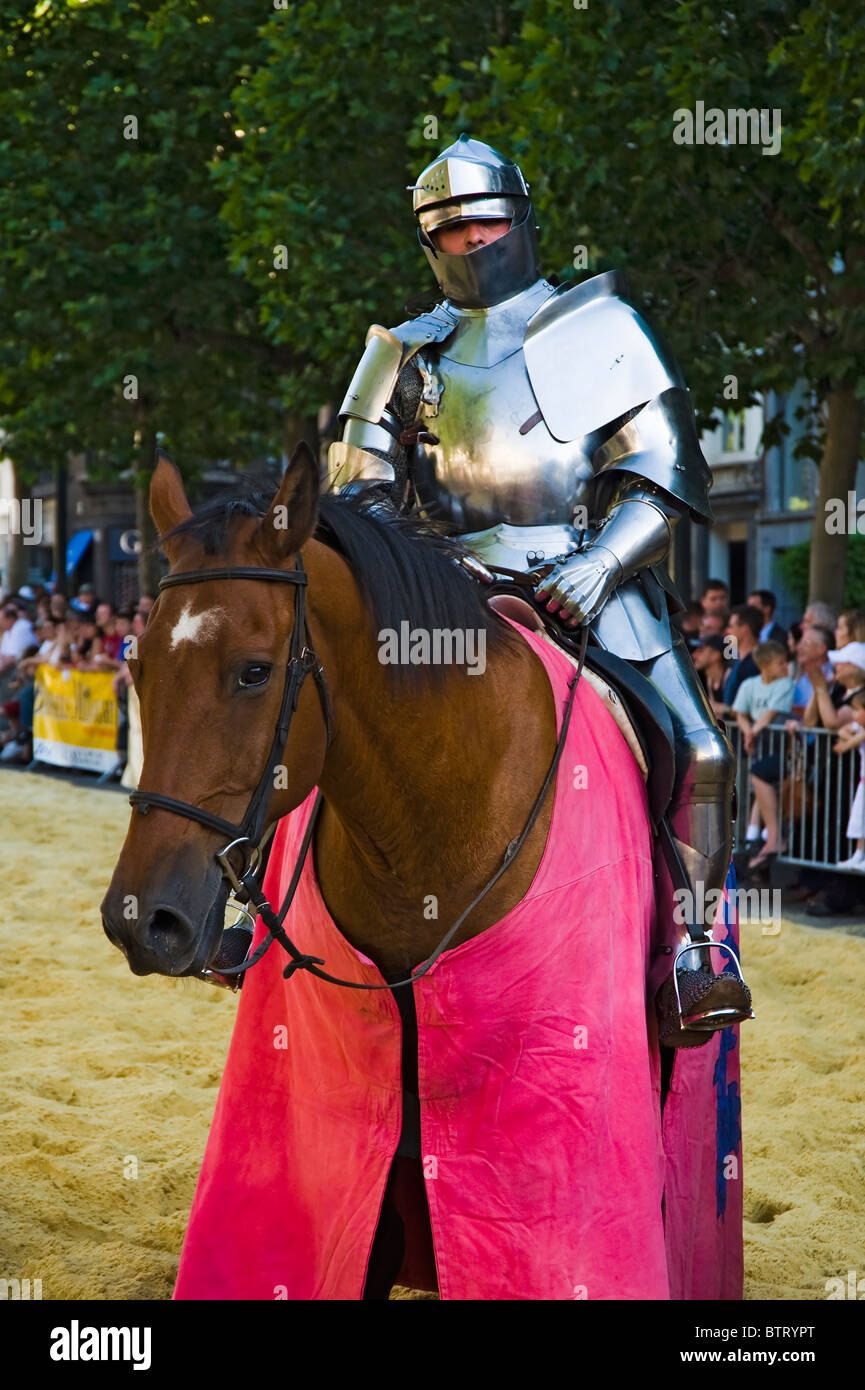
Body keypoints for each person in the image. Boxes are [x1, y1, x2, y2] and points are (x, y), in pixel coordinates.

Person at [326, 134, 751, 1044]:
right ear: (426, 241)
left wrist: (598, 565)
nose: (471, 242)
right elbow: (352, 493)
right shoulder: (401, 351)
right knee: (318, 715)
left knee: (702, 751)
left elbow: (666, 470)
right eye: (450, 230)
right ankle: (259, 916)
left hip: (586, 581)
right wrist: (421, 570)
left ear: (519, 221)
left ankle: (695, 952)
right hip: (436, 591)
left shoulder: (598, 328)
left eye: (485, 223)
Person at [732, 641, 796, 868]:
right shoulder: (750, 685)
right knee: (758, 786)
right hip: (759, 741)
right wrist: (748, 730)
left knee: (762, 783)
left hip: (778, 742)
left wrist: (752, 732)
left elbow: (771, 715)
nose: (786, 666)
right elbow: (739, 713)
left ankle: (755, 834)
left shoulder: (785, 684)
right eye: (780, 663)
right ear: (765, 666)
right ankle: (755, 835)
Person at [834, 689, 865, 870]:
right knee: (860, 819)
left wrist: (850, 741)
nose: (853, 714)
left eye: (856, 710)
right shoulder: (859, 729)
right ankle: (858, 854)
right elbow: (842, 731)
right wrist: (852, 737)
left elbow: (842, 747)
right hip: (863, 781)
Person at [719, 604, 762, 712]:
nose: (727, 631)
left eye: (731, 626)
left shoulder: (756, 663)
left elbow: (751, 708)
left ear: (745, 629)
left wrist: (721, 708)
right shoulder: (737, 660)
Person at [692, 633, 728, 717]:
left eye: (701, 650)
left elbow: (743, 710)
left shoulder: (730, 677)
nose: (694, 655)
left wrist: (721, 708)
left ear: (716, 655)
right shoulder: (710, 680)